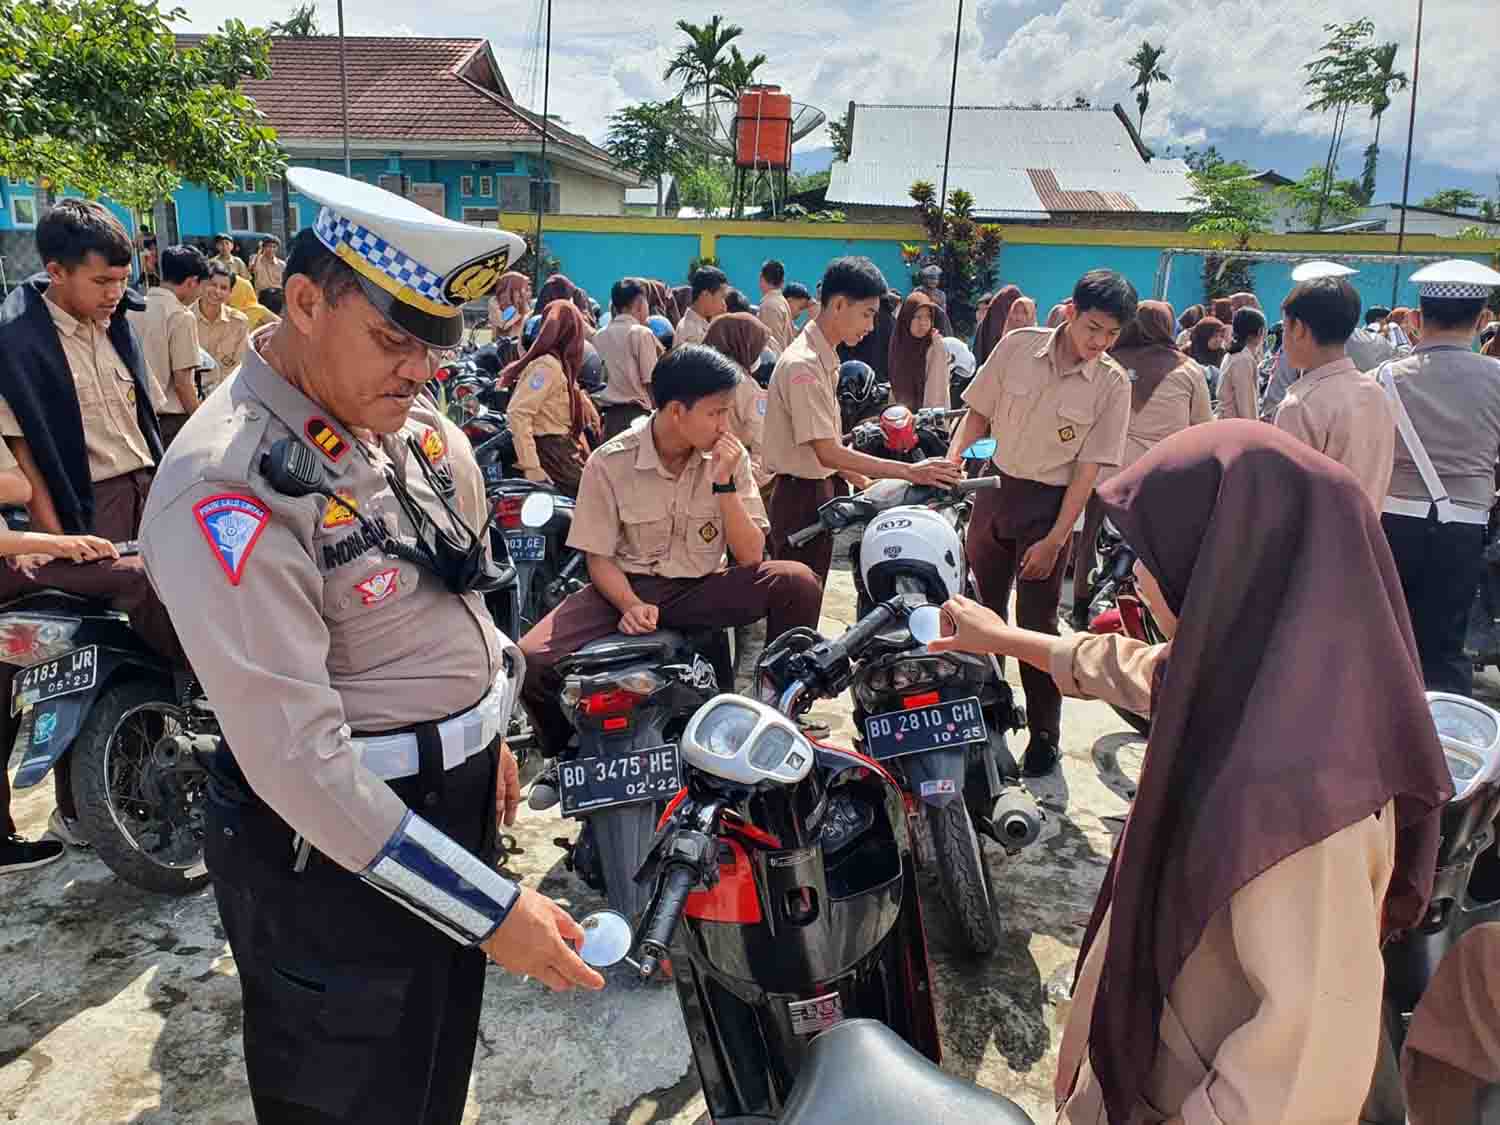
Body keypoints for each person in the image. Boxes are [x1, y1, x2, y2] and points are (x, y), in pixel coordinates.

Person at [138, 168, 604, 1125]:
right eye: (394, 337)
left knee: (429, 1058)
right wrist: (490, 909)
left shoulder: (406, 429)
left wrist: (488, 735)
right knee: (346, 1077)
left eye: (434, 344)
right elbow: (299, 761)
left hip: (450, 800)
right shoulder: (224, 483)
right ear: (304, 301)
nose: (419, 371)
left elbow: (454, 602)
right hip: (331, 841)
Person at [929, 422, 1451, 1125]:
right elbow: (1124, 668)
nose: (1137, 574)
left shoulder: (1298, 799)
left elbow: (1301, 1079)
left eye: (1150, 555)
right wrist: (999, 637)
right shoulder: (1269, 679)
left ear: (1233, 562)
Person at [518, 345, 824, 754]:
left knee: (797, 582)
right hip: (624, 589)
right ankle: (565, 752)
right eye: (715, 412)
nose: (724, 424)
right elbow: (599, 556)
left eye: (727, 411)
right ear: (677, 412)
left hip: (700, 588)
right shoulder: (610, 462)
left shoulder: (730, 458)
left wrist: (724, 484)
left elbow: (751, 556)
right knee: (530, 661)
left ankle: (782, 702)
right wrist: (628, 603)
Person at [0, 200, 181, 850]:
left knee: (147, 630)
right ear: (56, 271)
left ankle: (147, 777)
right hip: (87, 507)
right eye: (102, 282)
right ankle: (85, 805)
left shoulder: (117, 321)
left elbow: (142, 415)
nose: (116, 294)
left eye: (122, 280)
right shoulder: (19, 340)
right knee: (107, 638)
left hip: (143, 488)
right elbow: (28, 458)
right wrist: (58, 541)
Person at [945, 269, 1134, 776]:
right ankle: (984, 717)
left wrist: (1055, 539)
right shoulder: (1016, 348)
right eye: (1094, 328)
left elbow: (1087, 473)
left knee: (1036, 625)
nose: (1100, 342)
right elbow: (978, 413)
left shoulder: (1112, 385)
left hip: (1050, 507)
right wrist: (954, 457)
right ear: (1070, 311)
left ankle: (1045, 734)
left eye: (1112, 334)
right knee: (981, 610)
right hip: (993, 490)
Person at [763, 257, 961, 587]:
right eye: (867, 314)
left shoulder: (823, 358)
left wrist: (868, 484)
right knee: (795, 611)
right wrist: (910, 472)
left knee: (808, 601)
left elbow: (825, 447)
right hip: (800, 497)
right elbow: (827, 452)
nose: (871, 326)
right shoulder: (804, 366)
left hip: (815, 491)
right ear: (839, 304)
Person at [1378, 259, 1500, 696]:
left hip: (1393, 520)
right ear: (1483, 320)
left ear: (1415, 319)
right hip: (1464, 528)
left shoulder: (1385, 378)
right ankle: (1448, 751)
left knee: (1388, 645)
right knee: (1447, 649)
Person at [1069, 300, 1211, 627]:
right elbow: (1204, 428)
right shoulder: (1188, 370)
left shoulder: (1105, 364)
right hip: (1162, 480)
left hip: (1104, 475)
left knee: (1089, 540)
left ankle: (1079, 605)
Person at [1273, 276, 1396, 509]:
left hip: (1317, 543)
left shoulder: (1300, 405)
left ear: (1298, 328)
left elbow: (1285, 501)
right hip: (1367, 537)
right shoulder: (1376, 393)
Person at [501, 301, 598, 496]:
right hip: (553, 454)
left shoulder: (558, 364)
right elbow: (518, 412)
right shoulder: (547, 366)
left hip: (561, 449)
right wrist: (531, 467)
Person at [129, 243, 208, 447]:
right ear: (192, 282)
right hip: (170, 422)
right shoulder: (181, 316)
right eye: (202, 286)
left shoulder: (135, 308)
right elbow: (183, 382)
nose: (201, 293)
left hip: (135, 415)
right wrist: (202, 423)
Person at [703, 312, 774, 489]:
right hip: (734, 475)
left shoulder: (697, 374)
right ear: (743, 344)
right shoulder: (744, 385)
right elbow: (762, 442)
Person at [594, 278, 664, 440]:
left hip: (608, 419)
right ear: (640, 304)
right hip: (637, 417)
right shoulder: (641, 333)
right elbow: (651, 381)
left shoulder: (599, 335)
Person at [193, 262, 251, 398]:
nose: (217, 291)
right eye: (213, 285)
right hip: (191, 399)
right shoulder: (185, 318)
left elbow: (240, 368)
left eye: (224, 288)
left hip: (226, 396)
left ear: (230, 293)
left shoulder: (239, 322)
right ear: (202, 285)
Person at [888, 292, 950, 411]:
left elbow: (935, 394)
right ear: (906, 318)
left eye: (928, 317)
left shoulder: (935, 346)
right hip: (900, 418)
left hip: (927, 421)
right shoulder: (899, 343)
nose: (923, 322)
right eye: (918, 317)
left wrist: (924, 424)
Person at [1213, 307, 1265, 421]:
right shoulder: (1244, 359)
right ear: (1261, 331)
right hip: (1233, 427)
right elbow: (1247, 407)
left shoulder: (1233, 354)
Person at [675, 265, 729, 348]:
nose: (724, 304)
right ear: (706, 295)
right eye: (722, 297)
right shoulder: (691, 332)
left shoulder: (701, 325)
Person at [973, 284, 1022, 365]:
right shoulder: (983, 331)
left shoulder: (1027, 334)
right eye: (978, 310)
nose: (980, 313)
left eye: (985, 309)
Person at [758, 259, 794, 351]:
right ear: (782, 281)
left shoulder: (769, 305)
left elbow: (772, 346)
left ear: (761, 278)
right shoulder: (781, 301)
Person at [486, 271, 531, 343]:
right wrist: (517, 308)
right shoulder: (494, 301)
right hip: (499, 345)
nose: (523, 291)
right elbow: (503, 324)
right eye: (520, 288)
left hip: (517, 345)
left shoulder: (521, 302)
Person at [1186, 315, 1226, 394]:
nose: (1219, 340)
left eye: (1221, 336)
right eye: (1214, 336)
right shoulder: (1187, 353)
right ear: (1203, 336)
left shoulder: (1223, 355)